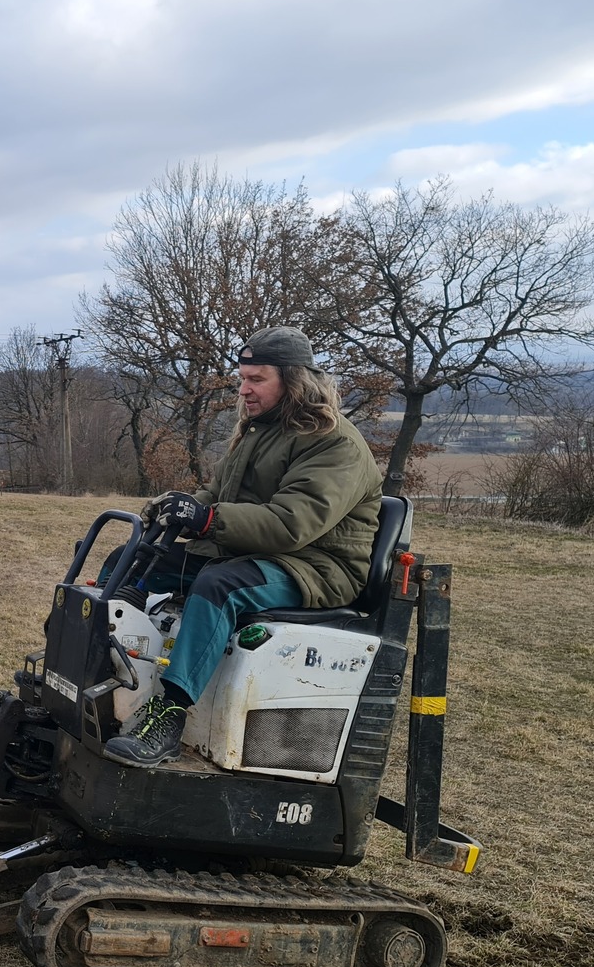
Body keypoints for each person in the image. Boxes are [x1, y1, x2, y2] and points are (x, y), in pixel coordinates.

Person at [103, 326, 384, 768]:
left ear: (294, 381)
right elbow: (217, 496)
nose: (244, 389)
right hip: (254, 553)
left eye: (257, 379)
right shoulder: (259, 430)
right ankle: (90, 670)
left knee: (222, 585)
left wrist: (208, 520)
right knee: (130, 559)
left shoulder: (335, 443)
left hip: (315, 568)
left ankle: (168, 717)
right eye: (242, 378)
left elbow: (291, 525)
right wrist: (179, 508)